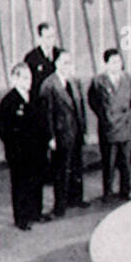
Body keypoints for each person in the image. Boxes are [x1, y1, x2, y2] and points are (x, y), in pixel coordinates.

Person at [0, 62, 50, 230]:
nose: (29, 81)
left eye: (30, 78)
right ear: (15, 79)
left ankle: (36, 212)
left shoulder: (34, 97)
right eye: (25, 78)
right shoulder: (9, 101)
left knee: (36, 181)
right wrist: (14, 148)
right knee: (21, 185)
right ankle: (22, 218)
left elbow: (43, 122)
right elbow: (3, 128)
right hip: (19, 153)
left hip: (37, 150)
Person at [39, 48, 89, 216]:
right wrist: (50, 137)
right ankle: (60, 205)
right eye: (64, 62)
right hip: (60, 134)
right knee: (61, 170)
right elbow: (47, 114)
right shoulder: (49, 85)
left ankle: (76, 198)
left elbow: (80, 108)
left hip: (76, 132)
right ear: (56, 63)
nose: (68, 65)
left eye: (70, 62)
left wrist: (84, 130)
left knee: (76, 167)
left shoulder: (74, 82)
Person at [88, 48, 131, 201]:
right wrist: (104, 115)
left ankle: (126, 190)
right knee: (108, 162)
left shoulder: (129, 79)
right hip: (108, 127)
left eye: (119, 61)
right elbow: (93, 101)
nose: (117, 65)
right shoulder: (98, 81)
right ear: (106, 64)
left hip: (125, 125)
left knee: (126, 161)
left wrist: (127, 114)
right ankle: (108, 192)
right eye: (113, 62)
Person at [24, 23, 61, 103]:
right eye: (48, 37)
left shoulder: (59, 54)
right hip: (40, 101)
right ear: (40, 38)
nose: (51, 40)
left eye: (53, 36)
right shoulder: (31, 58)